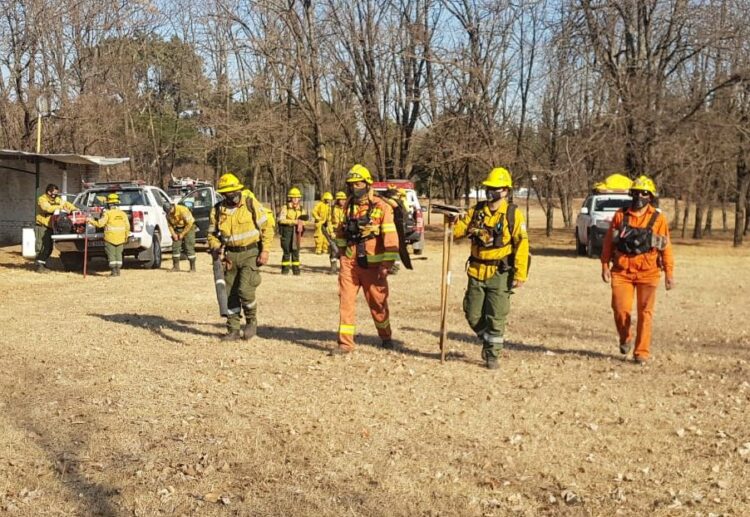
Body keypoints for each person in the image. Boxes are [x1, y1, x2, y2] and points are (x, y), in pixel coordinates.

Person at [451, 167, 529, 370]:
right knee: (472, 313)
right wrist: (452, 221)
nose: (490, 191)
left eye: (495, 188)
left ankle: (492, 355)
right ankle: (488, 340)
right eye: (488, 187)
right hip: (476, 271)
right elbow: (458, 232)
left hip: (500, 273)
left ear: (505, 191)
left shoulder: (513, 215)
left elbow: (522, 245)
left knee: (496, 315)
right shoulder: (476, 211)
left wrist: (520, 274)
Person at [601, 175, 675, 365]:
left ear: (650, 196)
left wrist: (669, 273)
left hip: (648, 272)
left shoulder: (658, 219)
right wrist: (604, 265)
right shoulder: (620, 215)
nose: (639, 196)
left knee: (645, 313)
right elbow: (609, 242)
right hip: (622, 271)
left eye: (643, 193)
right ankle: (625, 338)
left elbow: (666, 247)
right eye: (635, 193)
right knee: (620, 309)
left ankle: (641, 352)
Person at [332, 164, 400, 355]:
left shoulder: (382, 206)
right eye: (351, 184)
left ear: (367, 183)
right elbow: (340, 230)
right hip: (350, 263)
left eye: (358, 183)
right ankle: (345, 344)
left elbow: (390, 238)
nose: (354, 187)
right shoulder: (348, 204)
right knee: (346, 302)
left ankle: (385, 336)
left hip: (373, 266)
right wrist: (342, 250)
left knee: (378, 305)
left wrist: (386, 264)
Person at [208, 173, 274, 341]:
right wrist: (215, 246)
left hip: (250, 253)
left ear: (239, 190)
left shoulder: (250, 203)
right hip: (230, 256)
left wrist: (265, 251)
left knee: (245, 290)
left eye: (233, 192)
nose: (231, 196)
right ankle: (233, 330)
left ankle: (251, 320)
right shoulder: (217, 210)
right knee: (230, 294)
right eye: (226, 193)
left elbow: (267, 227)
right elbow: (212, 235)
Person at [35, 183, 77, 273]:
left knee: (49, 247)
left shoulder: (57, 199)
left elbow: (66, 204)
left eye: (56, 194)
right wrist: (61, 207)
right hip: (42, 226)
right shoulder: (42, 199)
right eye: (53, 193)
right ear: (48, 192)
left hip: (51, 227)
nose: (55, 195)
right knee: (42, 246)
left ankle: (43, 264)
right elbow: (48, 208)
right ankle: (39, 266)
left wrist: (74, 209)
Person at [88, 193, 131, 277]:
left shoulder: (107, 214)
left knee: (111, 255)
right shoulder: (122, 214)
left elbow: (100, 224)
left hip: (110, 238)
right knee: (118, 254)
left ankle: (114, 272)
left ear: (109, 204)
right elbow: (127, 226)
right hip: (121, 238)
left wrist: (90, 221)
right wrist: (126, 237)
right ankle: (118, 271)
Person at [277, 187, 307, 275]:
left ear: (299, 198)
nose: (295, 199)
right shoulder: (285, 208)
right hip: (287, 231)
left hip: (297, 232)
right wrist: (294, 222)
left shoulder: (302, 209)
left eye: (297, 197)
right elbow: (281, 220)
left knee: (296, 251)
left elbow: (305, 221)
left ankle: (296, 271)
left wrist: (302, 223)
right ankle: (285, 270)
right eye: (293, 197)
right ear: (290, 198)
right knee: (286, 250)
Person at [164, 202, 197, 272]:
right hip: (177, 228)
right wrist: (173, 234)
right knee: (175, 246)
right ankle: (176, 267)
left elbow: (189, 223)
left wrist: (182, 234)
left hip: (188, 227)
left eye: (170, 210)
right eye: (168, 212)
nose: (169, 213)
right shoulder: (168, 214)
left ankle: (192, 267)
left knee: (189, 246)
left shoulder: (182, 210)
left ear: (172, 207)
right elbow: (170, 226)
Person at [327, 191, 347, 274]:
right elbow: (329, 221)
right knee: (333, 251)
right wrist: (331, 232)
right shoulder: (332, 209)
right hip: (335, 232)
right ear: (337, 200)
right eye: (341, 199)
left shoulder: (348, 208)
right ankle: (333, 269)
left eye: (344, 199)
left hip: (345, 232)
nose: (343, 201)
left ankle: (344, 269)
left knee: (344, 252)